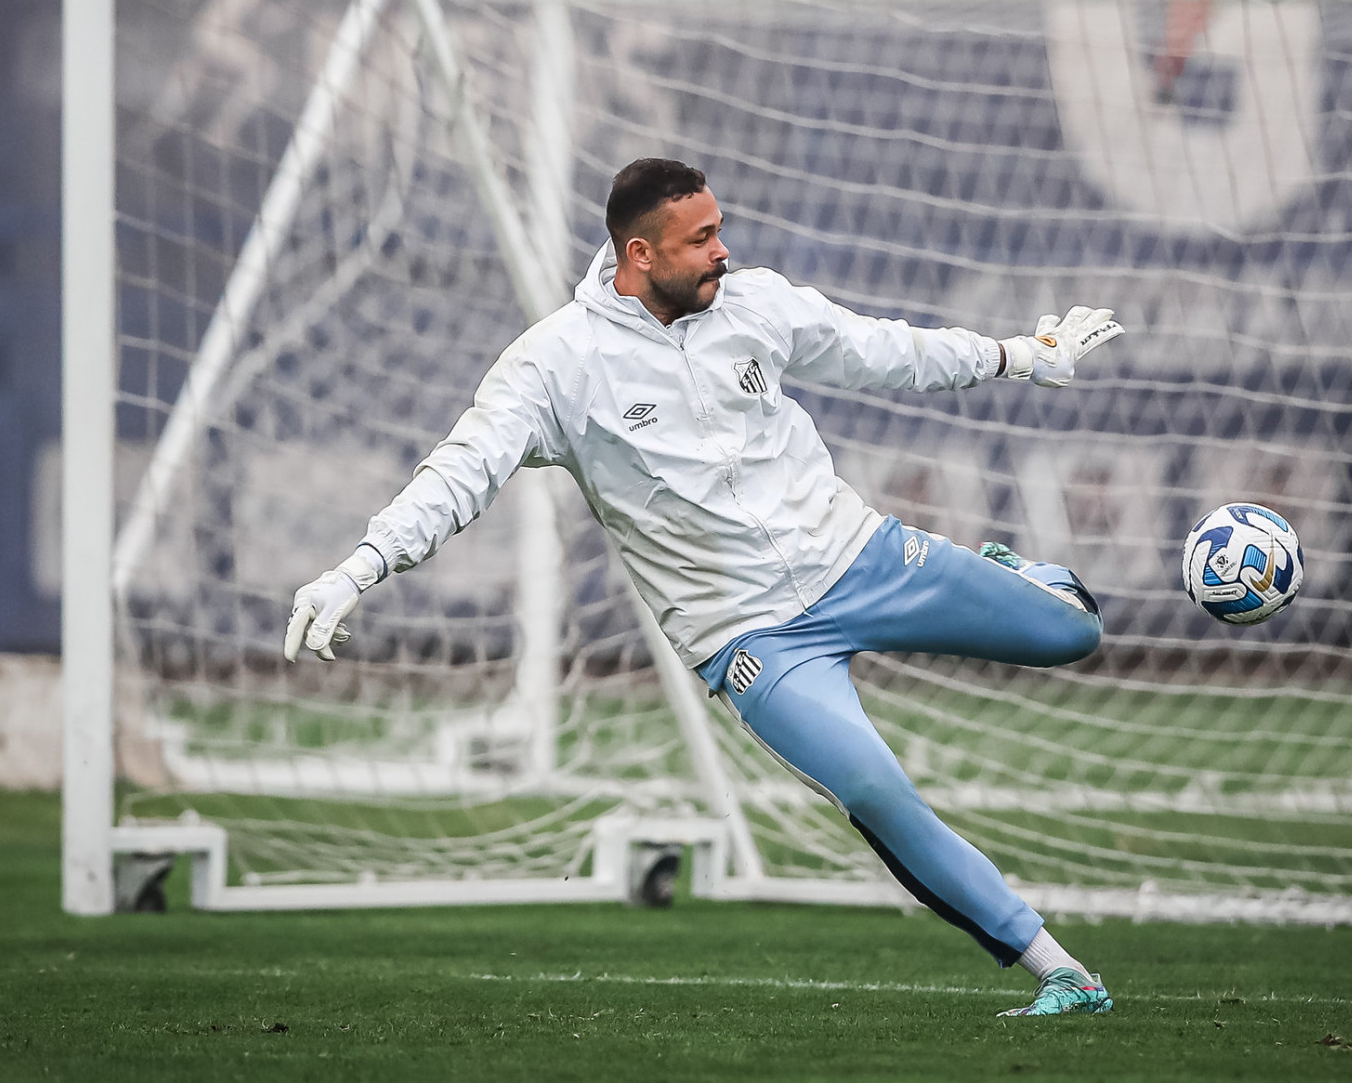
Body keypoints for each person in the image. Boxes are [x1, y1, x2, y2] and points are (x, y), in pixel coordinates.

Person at [285, 157, 1124, 1017]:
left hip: (859, 556)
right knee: (876, 794)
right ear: (639, 253)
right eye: (702, 239)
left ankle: (1007, 573)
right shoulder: (555, 364)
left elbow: (883, 350)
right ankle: (1063, 973)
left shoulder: (753, 302)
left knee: (1072, 633)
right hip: (752, 638)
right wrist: (361, 564)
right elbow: (460, 473)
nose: (723, 252)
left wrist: (1024, 355)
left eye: (720, 229)